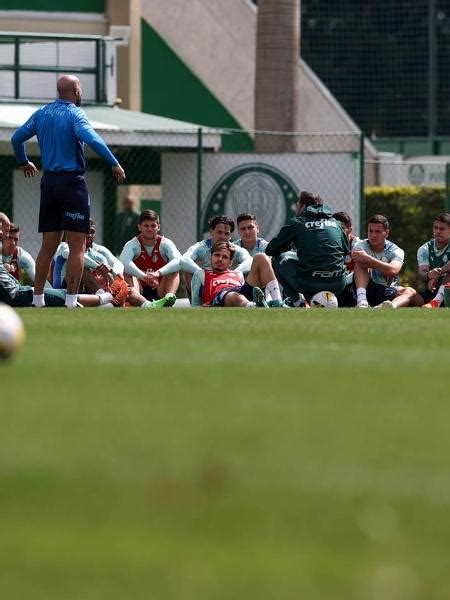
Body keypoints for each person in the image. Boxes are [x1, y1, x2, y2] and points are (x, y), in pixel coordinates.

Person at [10, 74, 126, 308]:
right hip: (72, 184)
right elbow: (91, 138)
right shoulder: (75, 114)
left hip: (49, 183)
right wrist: (113, 162)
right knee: (77, 245)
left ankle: (38, 299)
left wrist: (23, 161)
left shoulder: (42, 113)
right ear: (76, 91)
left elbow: (16, 138)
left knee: (48, 245)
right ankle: (72, 301)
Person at [265, 191, 349, 306]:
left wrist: (287, 246)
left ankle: (298, 302)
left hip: (309, 283)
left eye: (297, 205)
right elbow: (345, 250)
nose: (296, 209)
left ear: (303, 206)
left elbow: (270, 250)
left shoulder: (298, 223)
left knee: (277, 259)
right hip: (338, 284)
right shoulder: (336, 223)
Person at [190, 241, 287, 307]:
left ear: (230, 262)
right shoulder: (201, 274)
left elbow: (244, 290)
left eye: (224, 257)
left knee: (261, 257)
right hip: (220, 298)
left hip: (240, 292)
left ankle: (277, 302)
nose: (220, 259)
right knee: (236, 297)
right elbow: (195, 305)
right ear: (211, 257)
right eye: (217, 255)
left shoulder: (238, 273)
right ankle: (254, 307)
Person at [352, 214, 416, 308]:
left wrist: (369, 259)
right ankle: (362, 301)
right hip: (368, 289)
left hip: (387, 290)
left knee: (411, 292)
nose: (373, 235)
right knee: (361, 263)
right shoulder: (360, 246)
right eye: (371, 231)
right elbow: (360, 262)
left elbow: (393, 271)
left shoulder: (396, 250)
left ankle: (390, 306)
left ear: (386, 233)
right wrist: (368, 261)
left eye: (378, 231)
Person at [180, 215, 253, 296]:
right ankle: (198, 303)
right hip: (205, 288)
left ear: (230, 235)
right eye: (219, 232)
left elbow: (250, 261)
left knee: (248, 271)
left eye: (226, 233)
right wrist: (203, 274)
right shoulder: (201, 248)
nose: (222, 236)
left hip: (230, 288)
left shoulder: (234, 249)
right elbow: (183, 260)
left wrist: (234, 273)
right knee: (187, 270)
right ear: (211, 231)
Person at [119, 209, 181, 304]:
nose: (149, 229)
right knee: (125, 272)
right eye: (146, 226)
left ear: (158, 227)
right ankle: (140, 301)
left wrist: (157, 273)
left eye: (153, 226)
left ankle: (168, 299)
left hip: (161, 289)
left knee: (174, 269)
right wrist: (144, 277)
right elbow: (123, 262)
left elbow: (179, 261)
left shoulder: (165, 243)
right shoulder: (133, 244)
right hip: (139, 289)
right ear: (139, 227)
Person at [412, 212, 450, 308]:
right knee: (407, 292)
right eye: (435, 228)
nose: (438, 231)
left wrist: (438, 273)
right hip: (431, 292)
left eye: (442, 229)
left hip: (447, 292)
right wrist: (429, 275)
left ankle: (436, 302)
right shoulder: (424, 249)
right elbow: (422, 274)